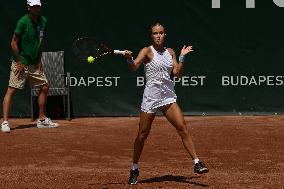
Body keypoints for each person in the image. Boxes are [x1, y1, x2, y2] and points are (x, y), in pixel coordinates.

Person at [123, 22, 209, 185]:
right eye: (155, 33)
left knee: (182, 127)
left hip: (167, 97)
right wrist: (129, 59)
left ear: (165, 34)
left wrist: (182, 57)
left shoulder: (170, 52)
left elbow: (177, 74)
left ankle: (197, 162)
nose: (158, 35)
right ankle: (134, 168)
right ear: (151, 35)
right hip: (151, 98)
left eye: (161, 33)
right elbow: (134, 68)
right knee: (142, 134)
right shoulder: (147, 51)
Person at [1, 0, 58, 133]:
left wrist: (39, 60)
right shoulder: (22, 22)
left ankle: (42, 120)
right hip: (20, 62)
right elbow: (13, 43)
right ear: (28, 8)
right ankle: (4, 122)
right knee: (12, 90)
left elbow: (40, 41)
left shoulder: (43, 21)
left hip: (33, 63)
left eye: (38, 6)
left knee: (45, 86)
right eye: (33, 6)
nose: (36, 9)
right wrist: (19, 61)